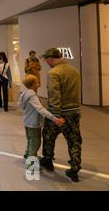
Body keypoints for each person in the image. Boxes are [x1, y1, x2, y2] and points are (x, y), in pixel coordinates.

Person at [39, 48, 82, 182]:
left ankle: (47, 160)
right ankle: (74, 169)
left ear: (51, 58)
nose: (46, 62)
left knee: (48, 135)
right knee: (74, 140)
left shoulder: (54, 72)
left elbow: (54, 94)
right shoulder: (74, 70)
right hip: (74, 112)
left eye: (46, 60)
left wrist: (55, 116)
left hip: (59, 113)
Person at [18, 75, 65, 173]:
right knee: (35, 144)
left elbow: (20, 105)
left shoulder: (25, 93)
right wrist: (55, 119)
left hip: (27, 122)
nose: (38, 84)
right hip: (33, 123)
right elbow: (40, 109)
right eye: (37, 82)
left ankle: (27, 155)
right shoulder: (32, 96)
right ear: (33, 84)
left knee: (30, 140)